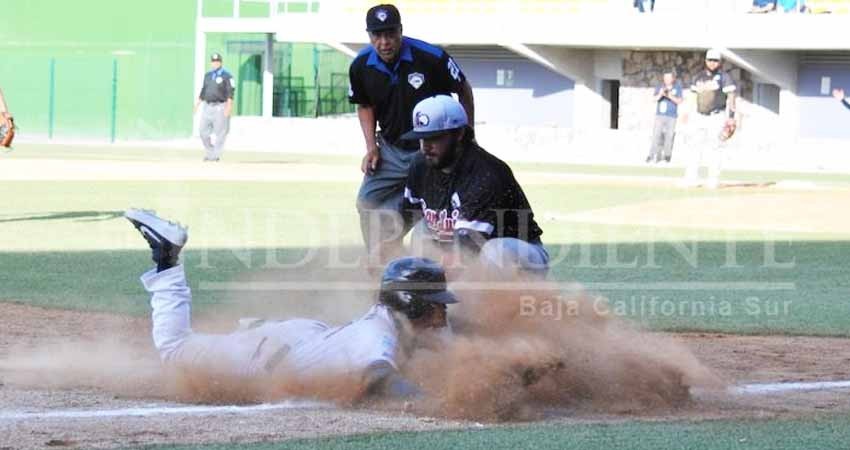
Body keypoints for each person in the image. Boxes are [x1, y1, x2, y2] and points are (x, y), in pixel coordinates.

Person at [124, 208, 458, 400]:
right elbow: (378, 376)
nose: (441, 315)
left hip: (303, 338)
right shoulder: (378, 338)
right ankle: (166, 258)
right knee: (174, 349)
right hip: (268, 356)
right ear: (410, 303)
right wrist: (430, 401)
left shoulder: (391, 325)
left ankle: (249, 329)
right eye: (435, 305)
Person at [349, 4, 475, 263]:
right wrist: (371, 147)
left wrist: (467, 136)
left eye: (390, 34)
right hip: (391, 150)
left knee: (431, 216)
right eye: (377, 35)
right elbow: (364, 105)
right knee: (367, 201)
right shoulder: (360, 65)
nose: (384, 42)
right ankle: (381, 264)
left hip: (431, 150)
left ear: (400, 31)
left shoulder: (430, 57)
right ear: (369, 35)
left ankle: (438, 273)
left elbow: (463, 89)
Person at [397, 95, 548, 276]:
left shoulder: (486, 174)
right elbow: (405, 215)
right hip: (462, 248)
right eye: (422, 138)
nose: (425, 147)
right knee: (422, 232)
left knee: (494, 252)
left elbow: (466, 251)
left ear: (459, 134)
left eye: (434, 138)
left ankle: (502, 303)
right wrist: (384, 247)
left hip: (522, 257)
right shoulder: (421, 164)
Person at [681, 49, 737, 189]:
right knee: (694, 146)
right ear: (705, 61)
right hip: (699, 116)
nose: (712, 63)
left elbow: (731, 97)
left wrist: (731, 117)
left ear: (720, 62)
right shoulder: (698, 77)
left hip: (716, 116)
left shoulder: (724, 77)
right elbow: (693, 96)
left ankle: (713, 179)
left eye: (715, 60)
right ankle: (691, 178)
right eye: (710, 60)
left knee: (715, 147)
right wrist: (687, 112)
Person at [194, 53, 234, 162]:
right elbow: (203, 90)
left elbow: (230, 93)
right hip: (207, 106)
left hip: (220, 106)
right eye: (213, 61)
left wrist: (229, 107)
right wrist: (197, 104)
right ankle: (210, 151)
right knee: (202, 131)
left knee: (220, 132)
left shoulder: (227, 76)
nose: (215, 63)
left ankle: (215, 156)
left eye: (217, 61)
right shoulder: (208, 75)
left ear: (221, 62)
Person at [646, 71, 683, 164]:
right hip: (660, 115)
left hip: (672, 116)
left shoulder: (677, 87)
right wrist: (661, 94)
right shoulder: (659, 87)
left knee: (669, 136)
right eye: (665, 78)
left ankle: (667, 156)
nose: (667, 80)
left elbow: (679, 101)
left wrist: (670, 96)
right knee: (656, 135)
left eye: (669, 78)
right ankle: (651, 155)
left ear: (673, 78)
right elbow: (654, 99)